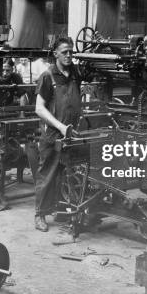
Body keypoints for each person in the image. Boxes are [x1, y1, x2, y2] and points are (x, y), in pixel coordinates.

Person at [33, 37, 82, 232]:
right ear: (55, 54)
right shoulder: (47, 76)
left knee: (67, 173)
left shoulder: (75, 73)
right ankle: (40, 214)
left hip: (72, 132)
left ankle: (62, 210)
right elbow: (39, 108)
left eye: (71, 52)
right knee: (47, 174)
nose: (69, 55)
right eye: (65, 52)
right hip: (53, 134)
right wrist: (60, 126)